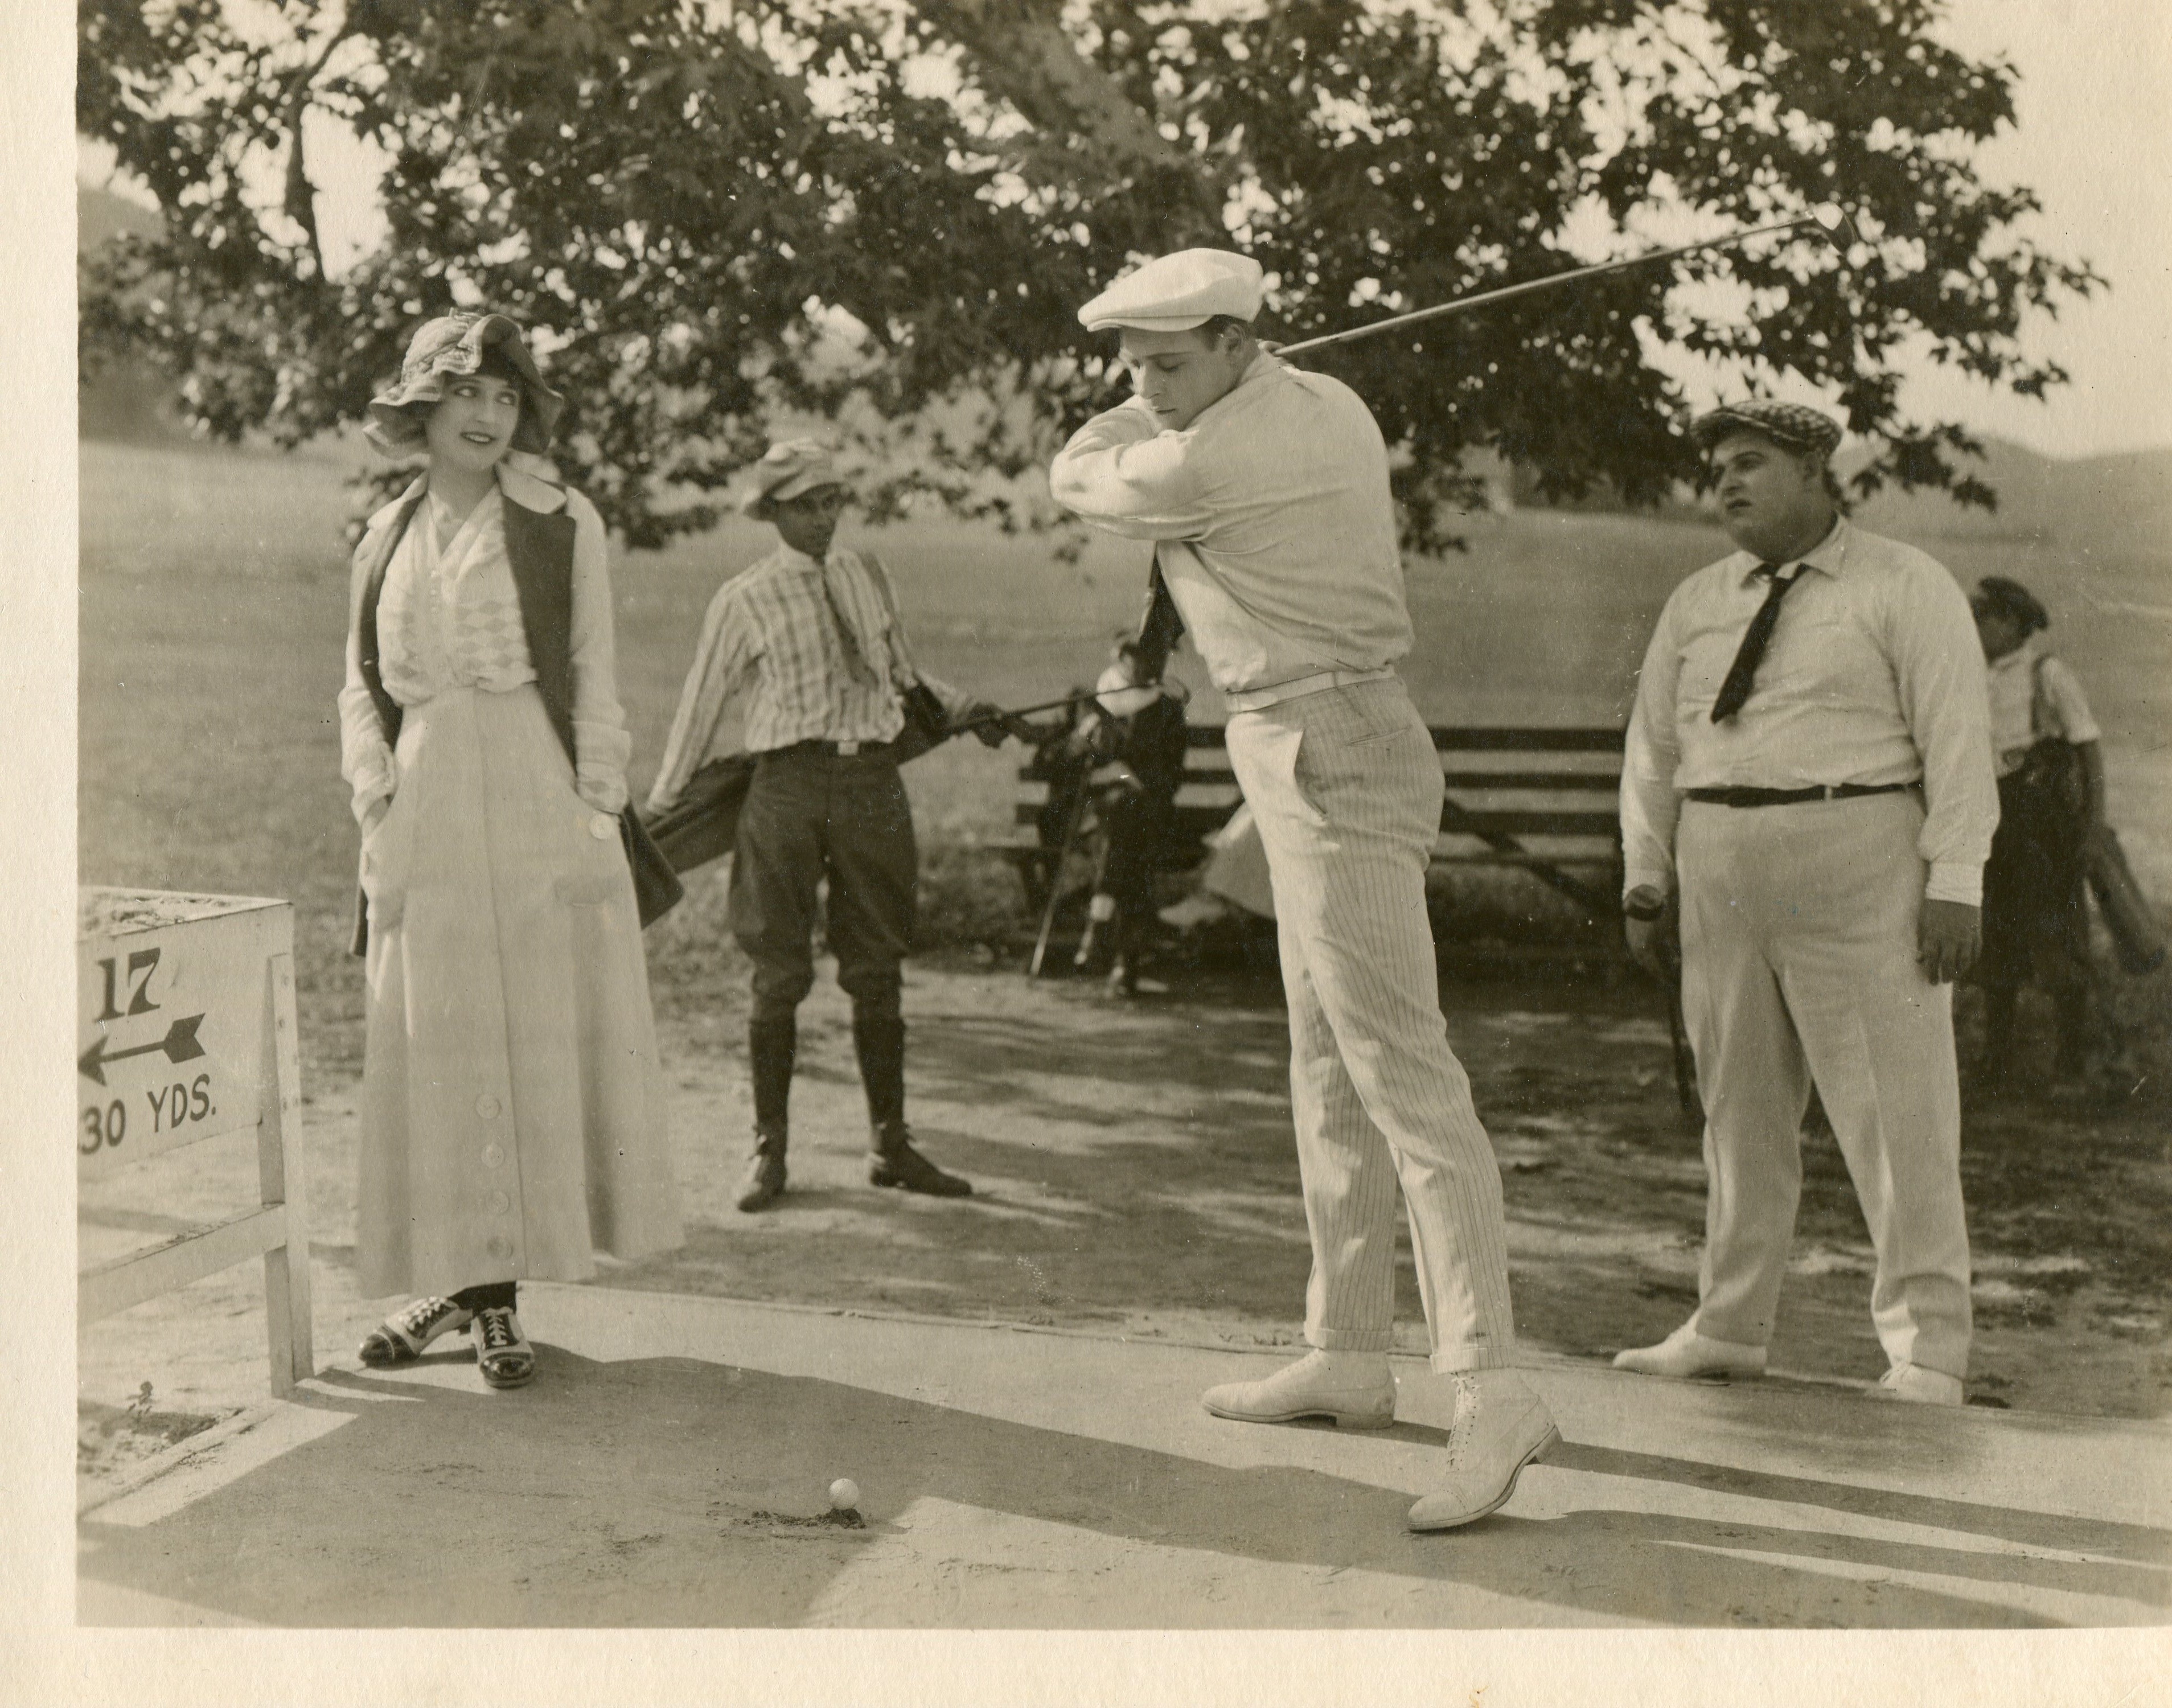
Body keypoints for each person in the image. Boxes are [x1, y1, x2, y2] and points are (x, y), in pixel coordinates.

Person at [1049, 248, 1558, 1534]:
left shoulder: (1210, 458)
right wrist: (1195, 381)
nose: (1146, 387)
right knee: (1325, 1057)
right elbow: (1137, 417)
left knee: (1402, 1071)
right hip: (1309, 738)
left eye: (1170, 363)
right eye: (1134, 366)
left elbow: (1074, 469)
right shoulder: (1327, 403)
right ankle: (1349, 1346)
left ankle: (1494, 1385)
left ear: (1233, 346)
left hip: (1328, 743)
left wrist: (1149, 413)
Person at [1615, 399, 1999, 1407]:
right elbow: (1653, 747)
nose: (1728, 484)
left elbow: (1960, 741)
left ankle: (1929, 1351)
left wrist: (1956, 881)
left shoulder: (1902, 585)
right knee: (1736, 1108)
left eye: (1752, 464)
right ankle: (1729, 1325)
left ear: (1818, 471)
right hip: (1720, 865)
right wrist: (1645, 874)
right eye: (1718, 470)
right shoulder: (1698, 600)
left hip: (1860, 855)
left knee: (1894, 1110)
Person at [339, 311, 683, 1389]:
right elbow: (360, 685)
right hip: (427, 798)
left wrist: (594, 817)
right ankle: (463, 1287)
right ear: (423, 409)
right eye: (467, 394)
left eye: (506, 397)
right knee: (439, 1034)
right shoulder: (385, 533)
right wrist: (376, 807)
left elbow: (592, 669)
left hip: (536, 782)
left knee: (531, 1032)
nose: (489, 416)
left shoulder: (558, 517)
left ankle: (492, 1301)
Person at [645, 440, 1007, 1212]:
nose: (822, 518)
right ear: (770, 511)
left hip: (871, 783)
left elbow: (902, 676)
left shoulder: (867, 575)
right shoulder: (743, 599)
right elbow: (700, 706)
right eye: (805, 504)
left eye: (832, 500)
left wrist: (964, 707)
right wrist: (662, 806)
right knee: (778, 969)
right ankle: (768, 1151)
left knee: (876, 965)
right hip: (786, 788)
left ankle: (891, 1144)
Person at [1970, 575, 2125, 1091]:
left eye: (1983, 618)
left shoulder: (2047, 672)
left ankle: (2070, 1063)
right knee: (1996, 934)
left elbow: (2088, 749)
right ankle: (1994, 1061)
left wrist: (2089, 830)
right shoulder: (1975, 671)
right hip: (1994, 816)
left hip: (2041, 821)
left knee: (2056, 934)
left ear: (2012, 623)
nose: (1975, 627)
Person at [1032, 638, 1190, 995]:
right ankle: (1122, 963)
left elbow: (1171, 778)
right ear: (1121, 656)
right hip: (1085, 818)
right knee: (1126, 835)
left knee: (1126, 822)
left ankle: (1099, 928)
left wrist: (1127, 775)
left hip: (1141, 814)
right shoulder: (1085, 700)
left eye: (1159, 656)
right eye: (1141, 655)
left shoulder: (1166, 709)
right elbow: (1046, 761)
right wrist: (1079, 742)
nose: (1152, 664)